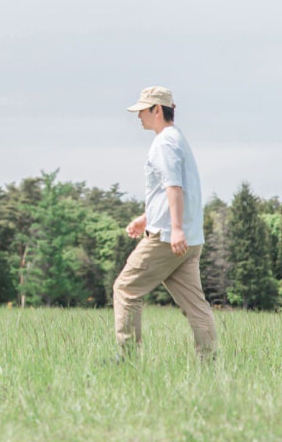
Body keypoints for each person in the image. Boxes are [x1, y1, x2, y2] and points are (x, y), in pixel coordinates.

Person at [113, 86, 217, 360]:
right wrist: (145, 217)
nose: (138, 117)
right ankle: (208, 364)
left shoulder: (164, 143)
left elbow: (174, 186)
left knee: (126, 289)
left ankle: (128, 360)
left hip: (166, 238)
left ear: (157, 110)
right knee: (196, 306)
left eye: (142, 111)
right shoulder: (178, 139)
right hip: (190, 240)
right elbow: (170, 190)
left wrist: (175, 230)